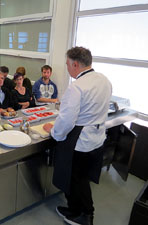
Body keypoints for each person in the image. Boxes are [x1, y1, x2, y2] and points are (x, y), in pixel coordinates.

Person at [43, 47, 112, 225]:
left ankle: (86, 216)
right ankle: (74, 209)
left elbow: (66, 121)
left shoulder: (77, 87)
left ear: (75, 64)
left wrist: (53, 131)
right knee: (82, 178)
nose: (67, 68)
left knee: (76, 179)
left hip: (80, 141)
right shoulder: (104, 80)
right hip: (97, 137)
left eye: (67, 64)